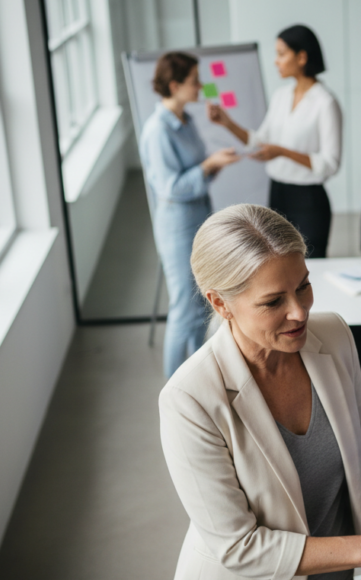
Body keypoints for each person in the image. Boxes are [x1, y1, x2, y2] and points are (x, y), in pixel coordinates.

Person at [159, 204, 361, 580]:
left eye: (303, 287)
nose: (300, 313)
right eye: (273, 302)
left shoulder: (333, 336)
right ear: (220, 303)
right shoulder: (189, 399)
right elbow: (239, 546)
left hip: (335, 574)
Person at [140, 51, 241, 378]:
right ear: (174, 84)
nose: (200, 86)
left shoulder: (187, 120)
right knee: (184, 308)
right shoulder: (158, 130)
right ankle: (174, 390)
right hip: (178, 225)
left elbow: (195, 174)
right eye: (194, 80)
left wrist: (212, 166)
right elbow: (171, 187)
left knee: (201, 306)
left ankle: (198, 380)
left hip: (199, 216)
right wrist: (208, 166)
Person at [209, 25, 341, 258]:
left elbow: (330, 164)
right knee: (278, 262)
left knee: (311, 266)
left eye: (281, 54)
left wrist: (281, 152)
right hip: (278, 193)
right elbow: (260, 140)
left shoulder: (325, 102)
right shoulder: (281, 96)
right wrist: (227, 123)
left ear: (301, 57)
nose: (275, 61)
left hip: (309, 199)